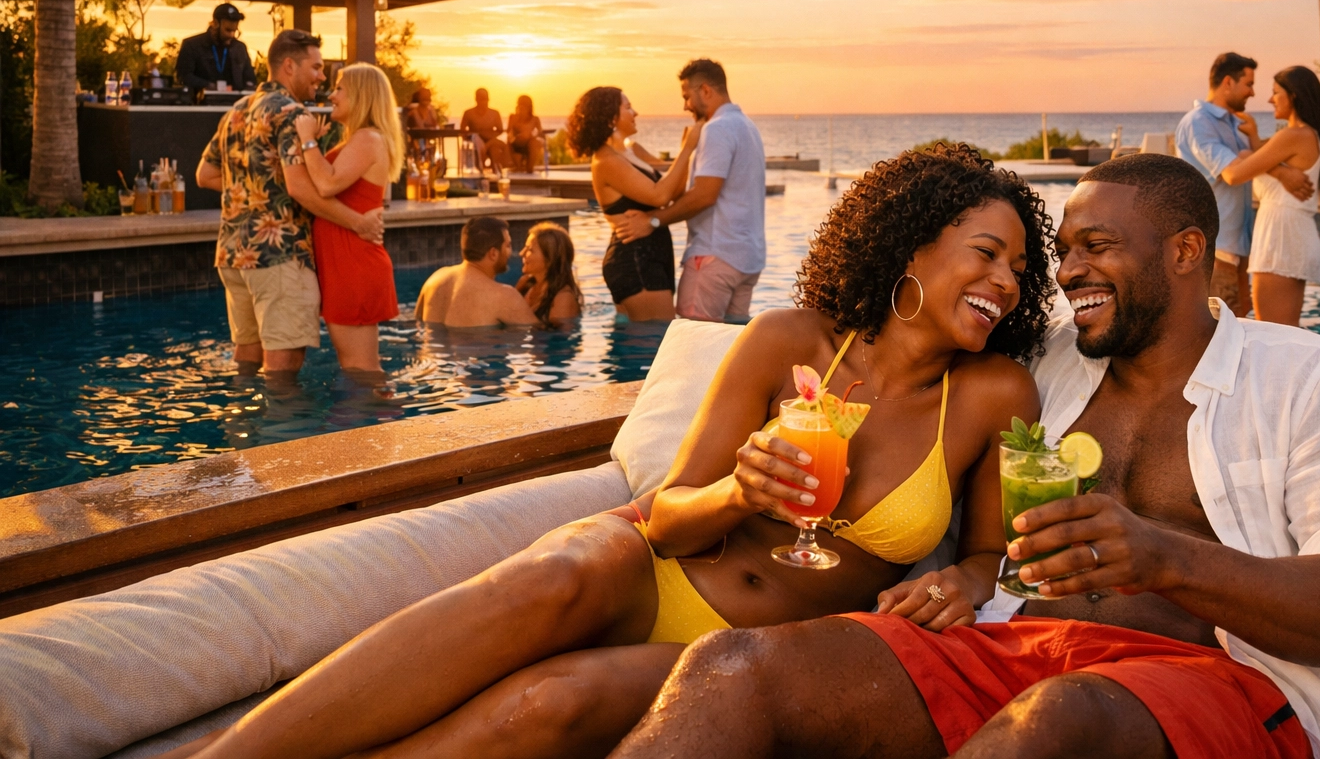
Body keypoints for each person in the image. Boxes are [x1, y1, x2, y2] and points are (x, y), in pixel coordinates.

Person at [163, 143, 1060, 759]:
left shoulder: (989, 396)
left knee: (552, 705)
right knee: (549, 579)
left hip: (754, 645)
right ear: (911, 243)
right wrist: (741, 494)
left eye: (1019, 270)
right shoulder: (789, 340)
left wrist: (968, 580)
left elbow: (988, 552)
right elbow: (670, 515)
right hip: (649, 565)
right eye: (987, 253)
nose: (1005, 282)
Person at [608, 153, 1320, 759]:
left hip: (1216, 679)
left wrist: (1167, 559)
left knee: (1056, 720)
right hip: (1009, 648)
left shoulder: (1312, 381)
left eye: (1097, 247)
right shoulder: (1044, 368)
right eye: (1066, 249)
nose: (1066, 272)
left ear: (1186, 254)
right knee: (731, 669)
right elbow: (912, 369)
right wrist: (960, 581)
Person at [196, 30, 384, 377]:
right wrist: (357, 223)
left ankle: (243, 428)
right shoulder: (290, 113)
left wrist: (256, 189)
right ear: (288, 66)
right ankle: (281, 431)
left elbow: (205, 175)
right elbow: (300, 189)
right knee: (283, 369)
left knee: (247, 359)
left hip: (233, 254)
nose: (322, 77)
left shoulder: (236, 112)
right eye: (315, 67)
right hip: (278, 255)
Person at [613, 59, 767, 323]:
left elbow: (705, 194)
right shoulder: (748, 127)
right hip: (748, 259)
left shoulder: (717, 129)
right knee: (729, 352)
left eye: (687, 97)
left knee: (692, 348)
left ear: (705, 90)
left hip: (715, 257)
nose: (685, 106)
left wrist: (653, 221)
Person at [1175, 52, 1311, 317]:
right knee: (1217, 334)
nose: (1252, 92)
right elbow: (1233, 173)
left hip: (1240, 250)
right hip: (1215, 250)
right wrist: (1282, 173)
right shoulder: (1198, 123)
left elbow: (1249, 163)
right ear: (1228, 82)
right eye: (1248, 84)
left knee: (1240, 325)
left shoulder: (1238, 124)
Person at [291, 63, 405, 372]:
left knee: (361, 368)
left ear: (361, 96)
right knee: (355, 366)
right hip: (344, 257)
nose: (332, 94)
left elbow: (327, 184)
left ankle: (383, 420)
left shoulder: (368, 138)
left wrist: (307, 139)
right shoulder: (359, 139)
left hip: (353, 259)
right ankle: (368, 419)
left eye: (340, 88)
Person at [567, 86, 700, 322]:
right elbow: (659, 196)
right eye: (627, 107)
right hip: (635, 261)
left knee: (646, 346)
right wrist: (687, 148)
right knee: (656, 344)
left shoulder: (632, 151)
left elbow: (672, 192)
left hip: (651, 256)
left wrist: (688, 154)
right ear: (610, 118)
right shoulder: (605, 160)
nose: (635, 112)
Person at [1217, 66, 1320, 326]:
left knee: (1271, 332)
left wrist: (1244, 154)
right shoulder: (1305, 136)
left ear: (1293, 96)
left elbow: (1234, 175)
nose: (1270, 100)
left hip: (1280, 234)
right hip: (1290, 231)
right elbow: (1271, 159)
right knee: (1282, 331)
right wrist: (1278, 170)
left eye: (1275, 93)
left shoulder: (1293, 135)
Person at [415, 217, 538, 327]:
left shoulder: (434, 280)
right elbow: (536, 336)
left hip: (429, 352)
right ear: (493, 253)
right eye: (508, 245)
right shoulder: (504, 295)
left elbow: (417, 324)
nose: (512, 252)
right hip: (477, 352)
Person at [176, 3, 257, 93]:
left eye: (235, 31)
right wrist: (208, 86)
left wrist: (249, 85)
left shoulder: (240, 48)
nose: (231, 35)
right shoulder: (192, 45)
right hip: (201, 104)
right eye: (228, 30)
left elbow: (250, 78)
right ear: (215, 23)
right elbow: (184, 77)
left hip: (235, 103)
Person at [515, 221, 582, 326]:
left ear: (549, 259)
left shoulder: (562, 299)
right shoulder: (525, 283)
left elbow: (561, 340)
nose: (522, 253)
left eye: (530, 250)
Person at [459, 87, 514, 171]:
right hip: (475, 142)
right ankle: (479, 173)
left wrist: (488, 140)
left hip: (491, 141)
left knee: (495, 150)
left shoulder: (494, 113)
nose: (484, 101)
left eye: (485, 98)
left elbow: (500, 130)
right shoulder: (468, 113)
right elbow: (462, 131)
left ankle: (497, 175)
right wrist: (472, 138)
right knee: (477, 147)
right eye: (481, 98)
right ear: (476, 99)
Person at [506, 94, 546, 172]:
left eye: (524, 105)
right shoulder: (513, 117)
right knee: (518, 169)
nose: (521, 107)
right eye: (520, 105)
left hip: (529, 144)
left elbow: (540, 134)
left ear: (529, 107)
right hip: (515, 144)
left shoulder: (535, 119)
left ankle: (529, 168)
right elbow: (509, 132)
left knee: (534, 143)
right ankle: (518, 166)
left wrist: (532, 135)